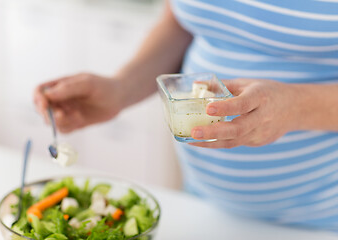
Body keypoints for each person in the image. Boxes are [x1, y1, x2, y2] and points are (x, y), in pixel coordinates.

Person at [34, 0, 338, 230]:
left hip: (321, 220)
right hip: (203, 203)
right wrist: (121, 88)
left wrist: (296, 107)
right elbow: (184, 18)